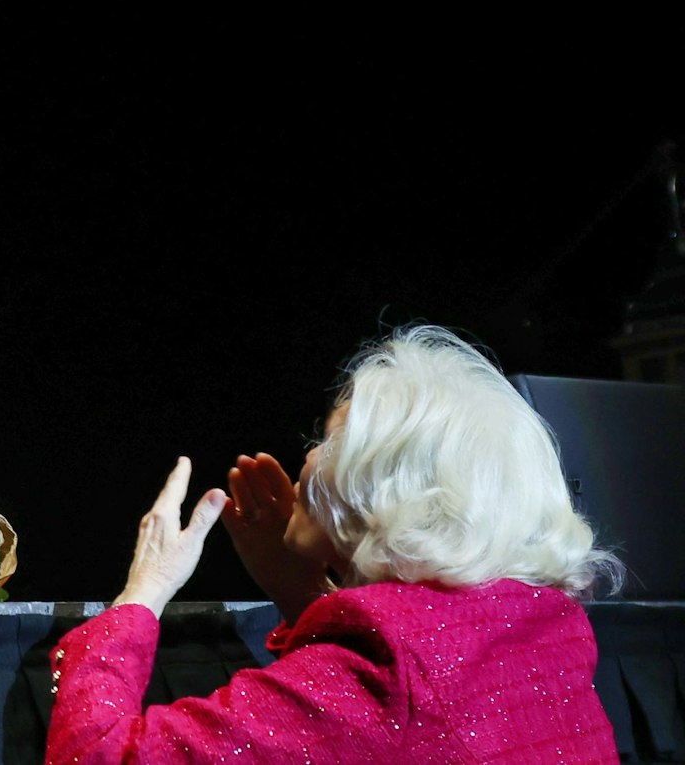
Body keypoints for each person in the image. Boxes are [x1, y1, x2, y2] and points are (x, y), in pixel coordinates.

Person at [47, 324, 622, 764]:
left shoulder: (390, 667)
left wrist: (141, 595)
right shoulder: (550, 630)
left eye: (329, 439)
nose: (307, 457)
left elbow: (99, 753)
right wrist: (301, 592)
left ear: (386, 483)